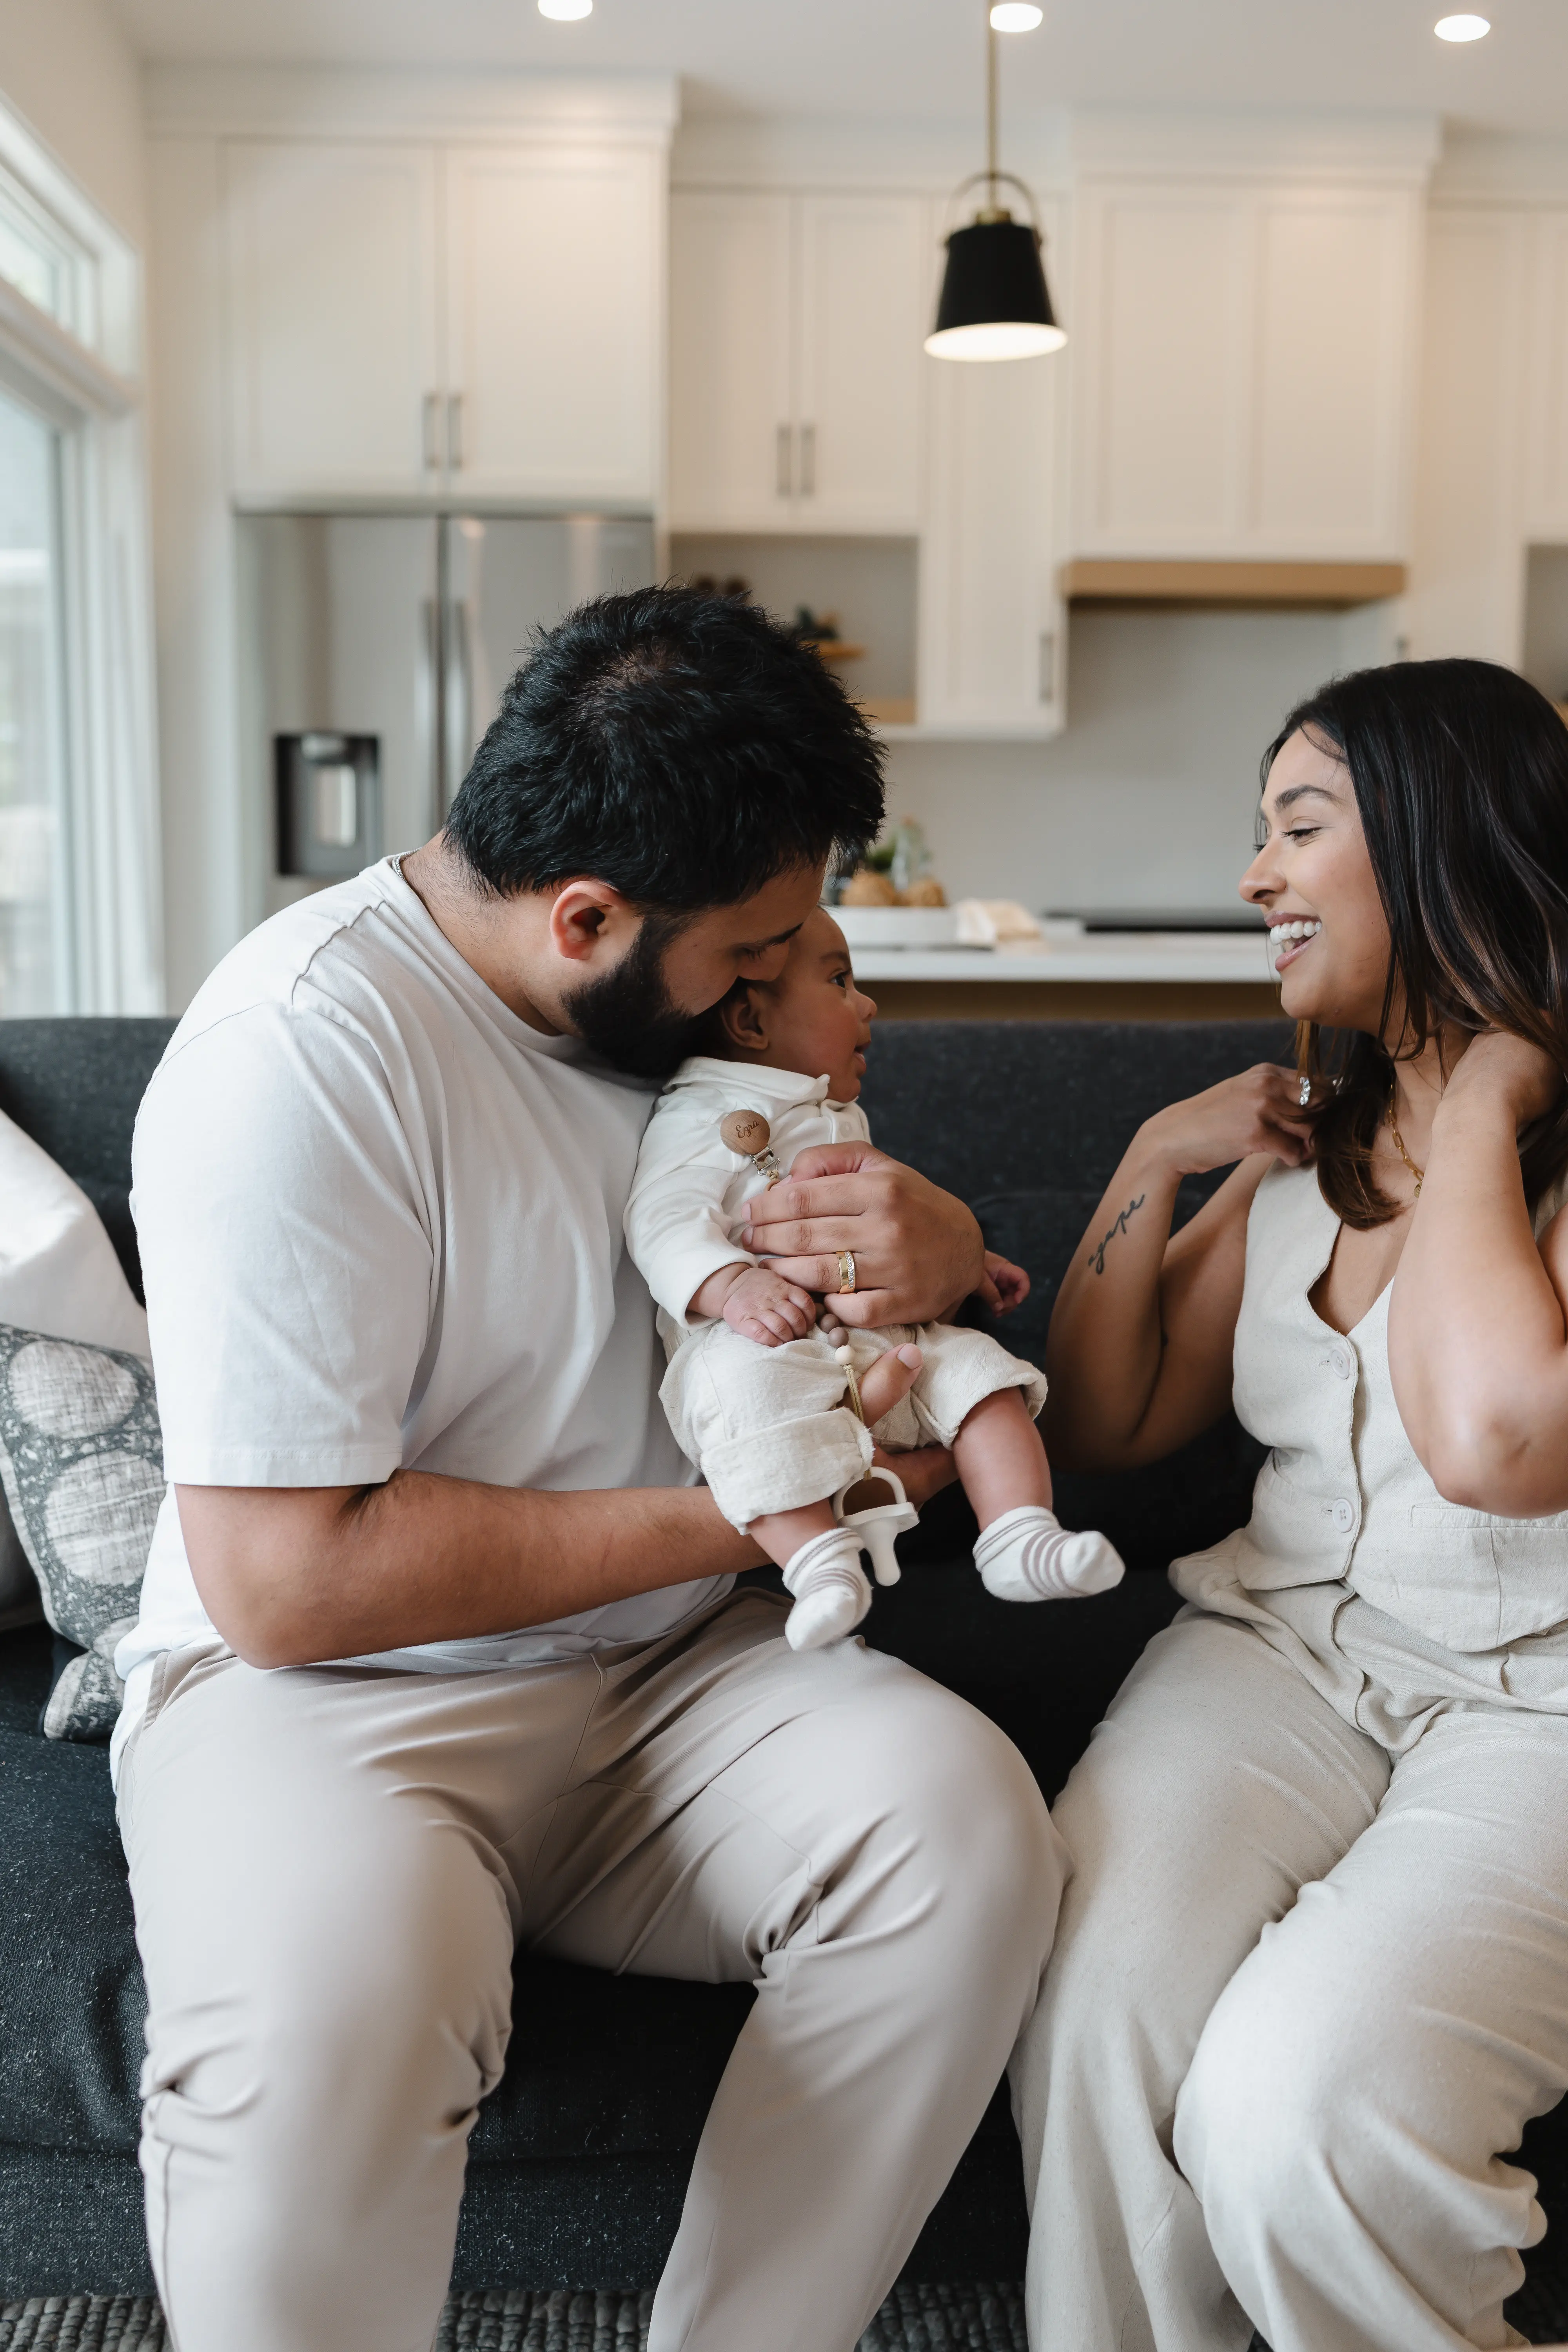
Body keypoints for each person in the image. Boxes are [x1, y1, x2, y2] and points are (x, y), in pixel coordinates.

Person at [113, 589, 1065, 2352]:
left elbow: (821, 1220)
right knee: (328, 2014)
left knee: (961, 1833)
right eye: (757, 950)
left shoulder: (669, 1022)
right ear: (585, 916)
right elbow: (291, 1584)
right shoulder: (299, 1057)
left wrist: (937, 1237)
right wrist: (770, 1516)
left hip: (670, 1680)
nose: (789, 984)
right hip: (333, 1697)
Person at [1013, 657, 1568, 2352]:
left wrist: (1484, 1087)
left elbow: (1496, 1443)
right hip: (1280, 1660)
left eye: (1298, 826)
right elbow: (1107, 1422)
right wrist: (1154, 1162)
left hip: (1538, 1705)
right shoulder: (1299, 1149)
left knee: (1302, 2116)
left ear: (1437, 838)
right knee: (1091, 2009)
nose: (1255, 876)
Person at [624, 902, 1125, 1649]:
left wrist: (968, 1259)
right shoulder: (704, 1113)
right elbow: (659, 1220)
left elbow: (884, 1218)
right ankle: (819, 1565)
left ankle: (1019, 1535)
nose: (868, 1004)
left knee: (988, 1382)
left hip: (890, 1339)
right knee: (740, 1401)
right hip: (769, 1341)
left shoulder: (826, 1110)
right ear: (752, 1025)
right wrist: (732, 1285)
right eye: (841, 980)